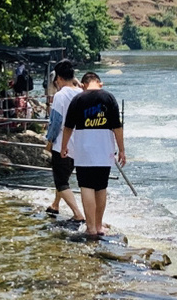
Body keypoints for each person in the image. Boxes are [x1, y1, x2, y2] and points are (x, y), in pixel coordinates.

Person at [60, 70, 126, 240]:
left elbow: (68, 127)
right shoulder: (109, 98)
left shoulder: (78, 99)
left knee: (86, 187)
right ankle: (98, 225)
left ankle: (90, 228)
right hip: (104, 150)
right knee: (101, 187)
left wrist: (64, 146)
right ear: (100, 83)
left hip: (83, 150)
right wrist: (122, 150)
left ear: (83, 85)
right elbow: (117, 127)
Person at [45, 61, 84, 224]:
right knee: (64, 177)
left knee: (61, 181)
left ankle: (78, 214)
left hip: (63, 143)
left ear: (59, 78)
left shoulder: (60, 95)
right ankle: (55, 205)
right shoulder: (81, 93)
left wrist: (49, 140)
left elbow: (55, 122)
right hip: (80, 143)